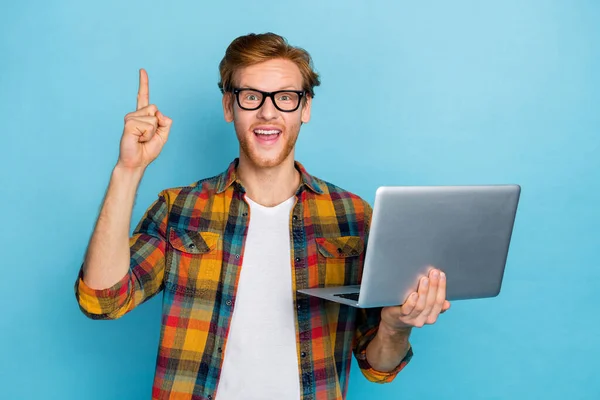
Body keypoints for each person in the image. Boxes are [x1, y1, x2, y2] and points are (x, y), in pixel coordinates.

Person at [75, 32, 451, 400]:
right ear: (229, 106)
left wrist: (396, 325)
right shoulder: (180, 209)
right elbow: (102, 300)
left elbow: (379, 366)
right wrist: (128, 170)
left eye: (285, 97)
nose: (268, 112)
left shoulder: (352, 217)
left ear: (305, 108)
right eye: (251, 96)